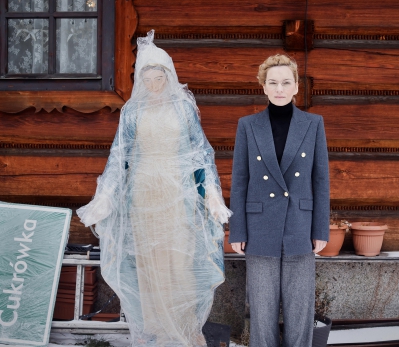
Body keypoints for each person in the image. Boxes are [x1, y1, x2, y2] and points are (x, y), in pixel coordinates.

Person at [77, 30, 231, 347]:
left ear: (168, 75)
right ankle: (156, 331)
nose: (153, 84)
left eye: (159, 76)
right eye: (147, 77)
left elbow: (200, 154)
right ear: (141, 80)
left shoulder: (184, 109)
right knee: (150, 259)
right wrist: (104, 197)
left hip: (178, 195)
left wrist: (212, 194)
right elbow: (120, 156)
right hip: (144, 194)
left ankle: (185, 327)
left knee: (179, 257)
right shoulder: (132, 112)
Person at [229, 54, 330, 346]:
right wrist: (237, 229)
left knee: (300, 311)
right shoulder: (248, 125)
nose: (280, 89)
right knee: (262, 312)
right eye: (273, 82)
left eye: (286, 82)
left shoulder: (313, 124)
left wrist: (320, 229)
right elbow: (240, 179)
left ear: (297, 86)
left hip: (300, 224)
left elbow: (320, 179)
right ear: (264, 87)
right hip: (260, 226)